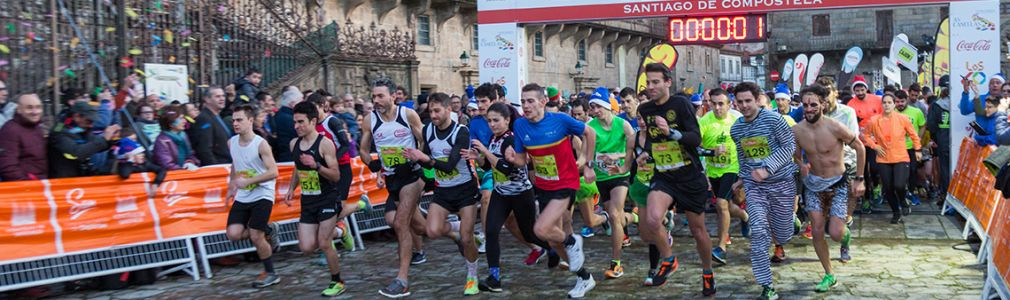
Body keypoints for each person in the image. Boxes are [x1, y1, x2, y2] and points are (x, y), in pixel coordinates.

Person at [506, 83, 597, 298]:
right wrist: (512, 158)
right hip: (544, 185)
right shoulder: (519, 126)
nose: (526, 106)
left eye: (530, 101)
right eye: (523, 101)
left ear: (543, 102)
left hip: (566, 182)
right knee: (554, 239)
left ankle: (573, 241)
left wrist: (586, 161)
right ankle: (584, 277)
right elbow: (521, 159)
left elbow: (590, 133)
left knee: (541, 229)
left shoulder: (560, 120)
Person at [635, 63, 715, 295]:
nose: (651, 87)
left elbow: (696, 139)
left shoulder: (680, 104)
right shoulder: (646, 109)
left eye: (655, 82)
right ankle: (668, 260)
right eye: (648, 82)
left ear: (668, 82)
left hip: (690, 176)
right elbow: (652, 139)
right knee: (651, 219)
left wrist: (671, 132)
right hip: (665, 175)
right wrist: (646, 154)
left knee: (698, 230)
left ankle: (707, 271)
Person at [462, 102, 552, 292]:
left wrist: (485, 152)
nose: (492, 124)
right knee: (491, 231)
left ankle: (553, 248)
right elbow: (489, 167)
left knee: (529, 233)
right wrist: (476, 157)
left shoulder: (511, 140)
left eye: (496, 120)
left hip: (521, 194)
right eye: (489, 121)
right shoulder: (494, 139)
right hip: (501, 193)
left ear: (507, 120)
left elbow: (506, 168)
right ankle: (494, 277)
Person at [401, 93, 482, 295]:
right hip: (443, 191)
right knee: (433, 231)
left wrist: (425, 159)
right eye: (430, 111)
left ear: (449, 110)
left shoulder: (461, 132)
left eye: (437, 111)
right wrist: (413, 159)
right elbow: (426, 156)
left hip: (465, 189)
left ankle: (472, 276)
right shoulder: (428, 129)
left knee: (466, 239)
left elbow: (449, 165)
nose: (433, 115)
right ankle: (458, 226)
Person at [793, 85, 866, 295]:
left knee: (835, 233)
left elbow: (860, 147)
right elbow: (797, 155)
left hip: (838, 185)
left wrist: (859, 179)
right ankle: (829, 274)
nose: (809, 109)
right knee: (816, 228)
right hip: (814, 186)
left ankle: (845, 236)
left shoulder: (835, 127)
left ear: (823, 105)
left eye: (813, 104)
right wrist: (801, 164)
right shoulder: (797, 130)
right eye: (805, 105)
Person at [285, 101, 361, 297]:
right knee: (307, 246)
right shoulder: (294, 144)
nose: (296, 126)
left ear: (313, 121)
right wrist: (291, 189)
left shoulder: (325, 144)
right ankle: (341, 230)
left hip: (327, 198)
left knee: (324, 243)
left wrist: (316, 165)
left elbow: (336, 175)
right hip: (308, 200)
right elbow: (297, 168)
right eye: (295, 122)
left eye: (301, 122)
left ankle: (337, 281)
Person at [360, 78, 428, 298]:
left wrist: (418, 157)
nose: (376, 100)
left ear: (393, 95)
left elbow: (424, 141)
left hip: (412, 176)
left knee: (400, 223)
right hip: (392, 180)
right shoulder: (370, 120)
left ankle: (402, 280)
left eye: (381, 96)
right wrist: (372, 163)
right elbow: (362, 149)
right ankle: (455, 231)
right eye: (374, 97)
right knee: (421, 227)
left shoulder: (407, 115)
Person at [729, 82, 797, 299]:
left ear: (757, 99)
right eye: (739, 102)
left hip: (782, 182)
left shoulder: (774, 119)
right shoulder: (736, 128)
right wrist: (742, 176)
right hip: (755, 186)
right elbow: (743, 155)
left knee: (783, 233)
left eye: (748, 100)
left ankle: (792, 221)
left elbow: (789, 147)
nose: (744, 105)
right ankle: (767, 286)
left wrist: (767, 168)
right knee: (758, 232)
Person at [223, 105, 281, 288]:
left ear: (250, 121)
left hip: (263, 192)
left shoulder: (261, 144)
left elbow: (273, 172)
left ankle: (270, 272)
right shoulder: (231, 142)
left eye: (239, 120)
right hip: (244, 194)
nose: (235, 123)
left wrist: (249, 181)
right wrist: (232, 185)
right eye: (233, 120)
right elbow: (235, 163)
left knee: (256, 236)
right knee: (233, 234)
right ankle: (269, 229)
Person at [584, 87, 638, 279]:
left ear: (607, 106)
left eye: (598, 106)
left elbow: (635, 149)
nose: (595, 110)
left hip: (620, 174)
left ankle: (616, 264)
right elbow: (586, 154)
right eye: (592, 107)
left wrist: (619, 155)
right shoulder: (590, 126)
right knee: (618, 218)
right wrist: (588, 167)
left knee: (614, 216)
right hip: (601, 179)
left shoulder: (623, 125)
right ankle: (635, 217)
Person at [814, 76, 861, 262]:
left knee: (842, 216)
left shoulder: (847, 112)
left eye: (827, 92)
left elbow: (853, 141)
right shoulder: (814, 113)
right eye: (820, 93)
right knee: (825, 215)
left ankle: (844, 245)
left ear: (835, 93)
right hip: (822, 168)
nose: (824, 97)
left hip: (846, 164)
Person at [701, 88, 749, 265]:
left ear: (729, 105)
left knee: (721, 204)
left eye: (721, 103)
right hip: (714, 171)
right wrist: (711, 151)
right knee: (727, 206)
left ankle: (721, 247)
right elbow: (695, 148)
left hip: (732, 168)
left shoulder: (738, 120)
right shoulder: (704, 121)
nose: (717, 107)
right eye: (713, 103)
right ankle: (744, 216)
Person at [863, 94, 921, 224]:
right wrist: (874, 146)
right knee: (888, 188)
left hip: (900, 157)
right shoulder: (874, 120)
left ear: (894, 104)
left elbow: (914, 134)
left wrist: (917, 149)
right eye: (884, 102)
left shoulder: (903, 119)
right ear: (881, 105)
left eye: (890, 102)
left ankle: (903, 201)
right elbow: (864, 135)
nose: (887, 105)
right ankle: (896, 212)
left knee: (899, 185)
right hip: (883, 158)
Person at [49, 102, 121, 178]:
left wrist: (110, 140)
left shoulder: (81, 128)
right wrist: (104, 139)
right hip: (62, 180)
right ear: (76, 116)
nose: (91, 125)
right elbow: (77, 153)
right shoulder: (58, 131)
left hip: (79, 176)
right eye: (89, 121)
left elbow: (93, 142)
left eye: (93, 122)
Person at [0, 94, 47, 181]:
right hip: (26, 188)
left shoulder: (37, 127)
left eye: (38, 107)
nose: (35, 111)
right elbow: (8, 166)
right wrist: (26, 185)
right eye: (29, 108)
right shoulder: (10, 130)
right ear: (19, 110)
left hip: (41, 185)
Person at [895, 90, 927, 206]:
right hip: (897, 149)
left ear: (907, 100)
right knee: (900, 174)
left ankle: (912, 194)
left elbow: (923, 125)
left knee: (913, 171)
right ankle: (901, 197)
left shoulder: (916, 111)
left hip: (912, 148)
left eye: (902, 101)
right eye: (897, 102)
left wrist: (918, 138)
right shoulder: (890, 112)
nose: (900, 104)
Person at [188, 87, 233, 165]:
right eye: (217, 96)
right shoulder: (204, 119)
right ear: (207, 99)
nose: (222, 99)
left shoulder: (216, 116)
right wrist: (215, 168)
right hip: (217, 167)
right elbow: (204, 149)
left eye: (223, 96)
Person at [959, 73, 1004, 146]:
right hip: (981, 143)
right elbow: (965, 111)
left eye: (998, 83)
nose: (995, 85)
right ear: (989, 86)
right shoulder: (980, 98)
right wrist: (966, 92)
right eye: (992, 83)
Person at [931, 77, 951, 204]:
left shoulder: (937, 105)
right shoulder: (957, 103)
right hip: (957, 139)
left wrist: (935, 139)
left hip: (942, 139)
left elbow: (932, 124)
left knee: (944, 168)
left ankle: (945, 194)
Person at [273, 88, 303, 162]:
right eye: (300, 102)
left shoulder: (282, 113)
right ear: (292, 103)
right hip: (289, 156)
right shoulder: (288, 118)